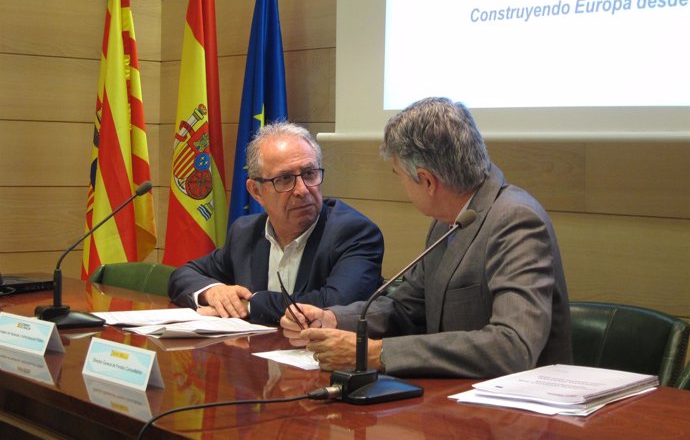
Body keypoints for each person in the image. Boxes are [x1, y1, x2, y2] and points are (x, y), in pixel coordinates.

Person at [281, 97, 572, 378]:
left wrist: (377, 354)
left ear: (428, 181)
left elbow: (512, 346)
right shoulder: (448, 221)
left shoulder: (515, 219)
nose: (403, 188)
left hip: (523, 413)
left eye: (400, 177)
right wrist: (332, 319)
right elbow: (405, 306)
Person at [168, 122, 384, 324]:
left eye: (309, 174)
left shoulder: (354, 233)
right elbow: (183, 275)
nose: (302, 190)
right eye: (285, 179)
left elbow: (335, 303)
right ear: (256, 191)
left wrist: (249, 306)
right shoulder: (245, 232)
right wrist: (213, 292)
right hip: (256, 356)